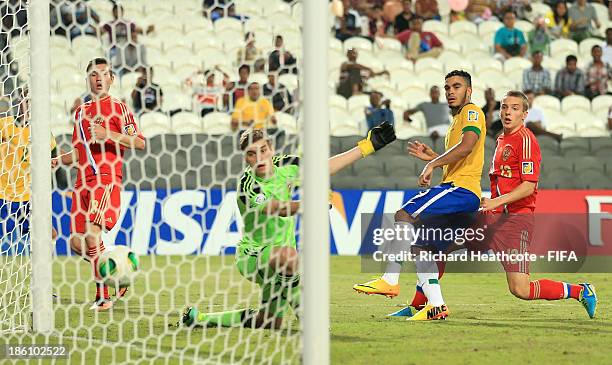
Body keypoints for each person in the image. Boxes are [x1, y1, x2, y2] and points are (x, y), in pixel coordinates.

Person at [181, 123, 397, 329]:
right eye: (251, 154)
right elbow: (275, 207)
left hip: (284, 264)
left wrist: (367, 147)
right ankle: (310, 321)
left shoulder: (287, 165)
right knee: (289, 256)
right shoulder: (248, 185)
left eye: (263, 150)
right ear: (245, 157)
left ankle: (200, 319)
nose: (259, 158)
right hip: (253, 256)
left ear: (271, 149)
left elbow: (324, 168)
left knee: (267, 321)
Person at [353, 70, 486, 321]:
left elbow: (467, 146)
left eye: (456, 86)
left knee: (405, 213)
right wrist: (434, 157)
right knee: (421, 248)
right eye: (447, 87)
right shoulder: (455, 124)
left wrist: (431, 165)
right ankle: (436, 306)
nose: (450, 91)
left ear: (469, 91)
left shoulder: (471, 112)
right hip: (462, 192)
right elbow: (462, 156)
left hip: (462, 190)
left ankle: (390, 279)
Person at [480, 90, 597, 319]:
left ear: (524, 114)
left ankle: (581, 291)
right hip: (496, 217)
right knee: (446, 242)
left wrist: (495, 201)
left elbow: (528, 186)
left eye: (515, 108)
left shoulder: (525, 140)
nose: (507, 112)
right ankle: (425, 302)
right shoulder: (502, 139)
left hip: (516, 220)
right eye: (504, 107)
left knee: (520, 289)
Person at [52, 58, 145, 311]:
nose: (99, 78)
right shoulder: (81, 112)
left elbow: (140, 142)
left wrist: (108, 135)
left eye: (104, 74)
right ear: (88, 80)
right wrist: (57, 160)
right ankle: (117, 270)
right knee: (75, 243)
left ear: (112, 79)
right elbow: (78, 152)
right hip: (81, 182)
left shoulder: (119, 108)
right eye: (93, 74)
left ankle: (103, 297)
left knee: (93, 236)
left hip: (105, 180)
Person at [0, 86, 61, 247]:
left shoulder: (43, 133)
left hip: (26, 197)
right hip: (2, 193)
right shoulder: (5, 125)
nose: (29, 106)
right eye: (26, 101)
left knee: (50, 233)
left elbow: (55, 156)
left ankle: (46, 266)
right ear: (19, 102)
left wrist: (52, 162)